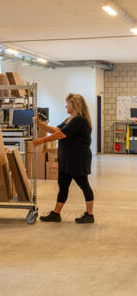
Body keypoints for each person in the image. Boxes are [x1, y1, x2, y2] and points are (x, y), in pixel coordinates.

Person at [33, 93, 95, 223]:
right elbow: (56, 130)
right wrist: (40, 124)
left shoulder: (79, 120)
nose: (66, 106)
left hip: (78, 159)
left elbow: (61, 135)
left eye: (68, 104)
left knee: (84, 185)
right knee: (63, 186)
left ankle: (89, 215)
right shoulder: (70, 119)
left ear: (74, 105)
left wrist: (41, 140)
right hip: (67, 159)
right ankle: (56, 214)